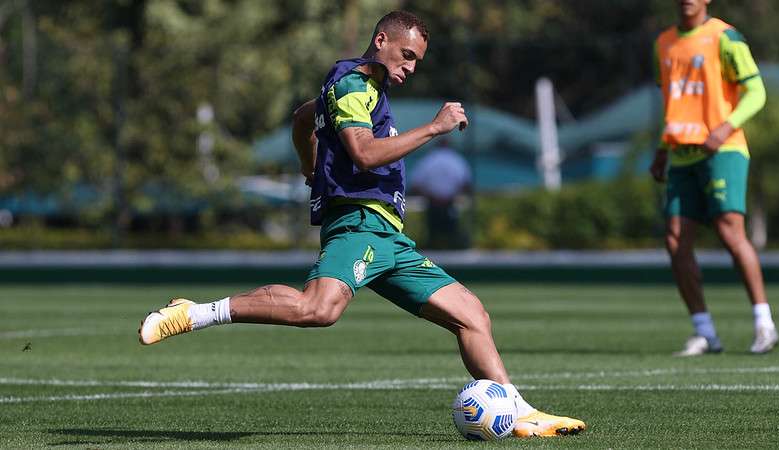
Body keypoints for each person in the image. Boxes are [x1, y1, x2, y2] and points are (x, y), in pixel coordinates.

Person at [138, 11, 584, 437]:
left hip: (388, 235)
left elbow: (301, 118)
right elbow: (365, 154)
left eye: (418, 62)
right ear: (381, 41)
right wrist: (434, 128)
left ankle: (519, 411)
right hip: (358, 223)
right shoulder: (352, 85)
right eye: (406, 55)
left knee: (472, 315)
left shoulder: (356, 88)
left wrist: (309, 166)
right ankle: (193, 313)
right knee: (319, 309)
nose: (411, 67)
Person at [650, 0, 778, 356]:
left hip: (723, 150)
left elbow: (756, 93)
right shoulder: (663, 42)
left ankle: (764, 323)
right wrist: (663, 149)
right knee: (675, 241)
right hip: (680, 154)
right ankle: (704, 331)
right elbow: (674, 104)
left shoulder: (725, 37)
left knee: (728, 230)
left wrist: (725, 128)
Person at [409, 138, 472, 249]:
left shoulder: (428, 160)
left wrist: (431, 196)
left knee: (433, 239)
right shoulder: (457, 160)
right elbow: (466, 184)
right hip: (450, 204)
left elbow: (415, 184)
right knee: (452, 238)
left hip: (433, 204)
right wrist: (451, 196)